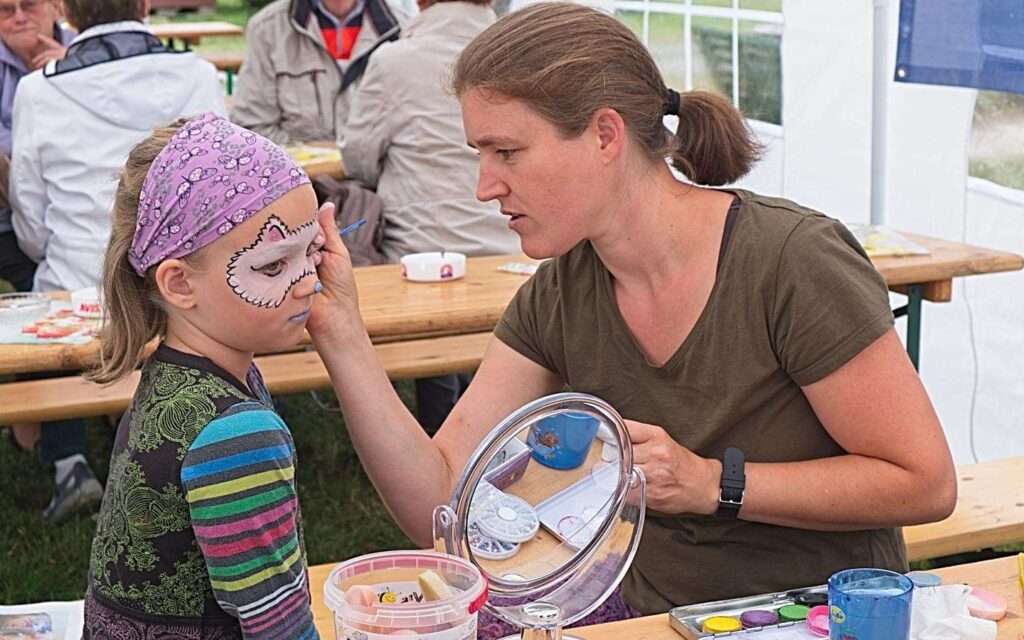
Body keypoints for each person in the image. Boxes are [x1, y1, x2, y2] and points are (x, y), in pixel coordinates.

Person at [306, 1, 958, 631]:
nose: (484, 187)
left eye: (506, 152)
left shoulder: (792, 259)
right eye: (480, 154)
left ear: (604, 135)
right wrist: (341, 334)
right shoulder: (561, 290)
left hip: (810, 617)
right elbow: (443, 505)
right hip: (642, 613)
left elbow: (923, 484)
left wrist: (713, 484)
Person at [83, 113, 323, 639]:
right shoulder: (236, 433)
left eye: (313, 251)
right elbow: (277, 623)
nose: (308, 281)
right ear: (179, 284)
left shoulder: (173, 375)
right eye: (273, 266)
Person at [8, 0, 224, 523]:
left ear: (65, 11)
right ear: (146, 5)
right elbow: (220, 195)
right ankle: (195, 458)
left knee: (52, 287)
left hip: (80, 285)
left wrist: (58, 250)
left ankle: (69, 462)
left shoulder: (37, 91)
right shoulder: (199, 74)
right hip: (179, 289)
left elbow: (30, 215)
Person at [341, 0, 517, 431]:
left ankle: (440, 436)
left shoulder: (394, 61)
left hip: (420, 253)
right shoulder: (521, 55)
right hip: (512, 244)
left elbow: (357, 159)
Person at [231, 0, 408, 146]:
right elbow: (251, 130)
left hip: (379, 177)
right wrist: (314, 156)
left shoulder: (404, 27)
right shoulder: (267, 29)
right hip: (301, 175)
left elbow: (413, 132)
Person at [0, 0, 73, 292]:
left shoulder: (85, 51)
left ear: (57, 8)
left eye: (29, 6)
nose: (19, 18)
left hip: (78, 207)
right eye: (6, 10)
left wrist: (73, 67)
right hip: (8, 218)